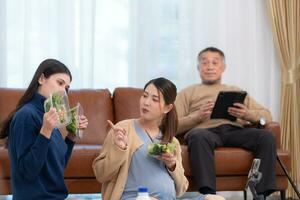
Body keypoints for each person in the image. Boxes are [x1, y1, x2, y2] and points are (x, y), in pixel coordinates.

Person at [92, 77, 224, 200]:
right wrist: (119, 149)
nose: (146, 102)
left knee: (215, 199)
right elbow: (101, 174)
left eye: (155, 99)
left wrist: (172, 165)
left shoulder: (172, 142)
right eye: (145, 96)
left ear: (168, 107)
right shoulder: (123, 129)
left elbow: (181, 189)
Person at [175, 47, 277, 199]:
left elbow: (267, 116)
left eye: (214, 63)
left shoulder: (235, 90)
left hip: (234, 130)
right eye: (204, 63)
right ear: (198, 68)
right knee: (198, 136)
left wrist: (247, 114)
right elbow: (172, 125)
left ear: (223, 67)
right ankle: (208, 195)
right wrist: (197, 117)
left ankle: (261, 193)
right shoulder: (188, 92)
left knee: (266, 137)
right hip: (204, 132)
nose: (209, 67)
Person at [0, 59, 88, 200]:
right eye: (60, 83)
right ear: (41, 79)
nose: (63, 91)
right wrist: (46, 131)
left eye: (66, 88)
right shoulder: (26, 116)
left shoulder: (48, 115)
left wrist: (72, 135)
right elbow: (28, 172)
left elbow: (57, 167)